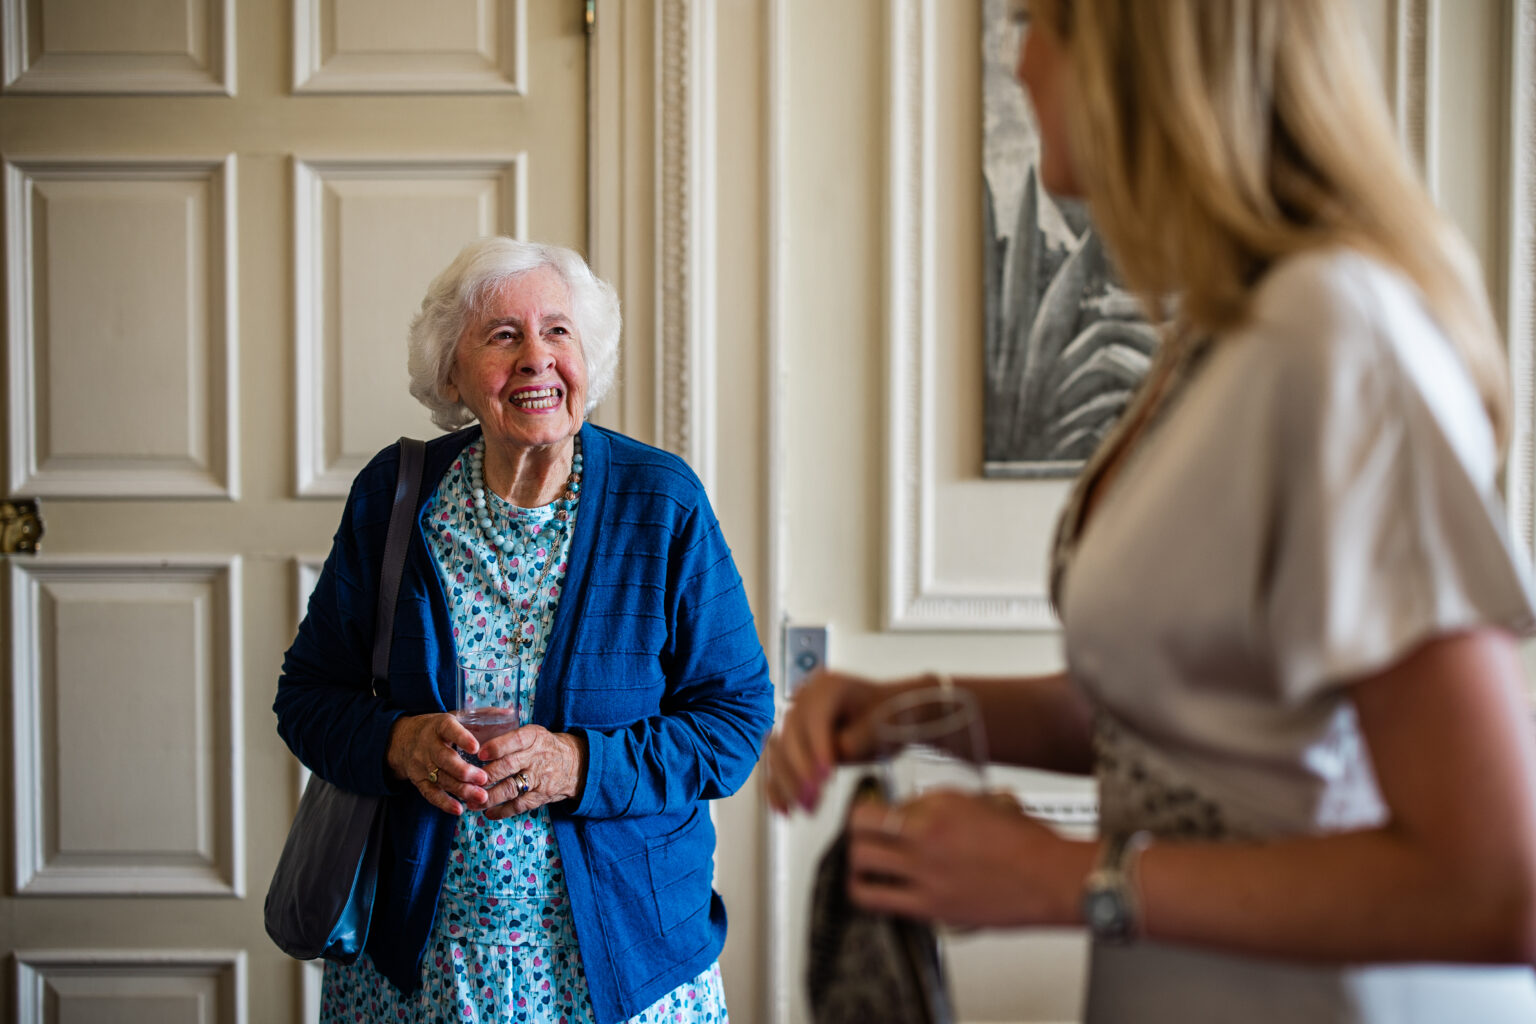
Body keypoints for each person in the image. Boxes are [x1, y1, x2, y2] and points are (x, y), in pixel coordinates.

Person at [765, 1, 1536, 1021]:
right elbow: (1179, 714)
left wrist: (1072, 877)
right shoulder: (1219, 338)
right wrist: (910, 705)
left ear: (1143, 51)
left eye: (1041, 21)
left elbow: (1498, 885)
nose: (1020, 56)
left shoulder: (1336, 333)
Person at [275, 237, 773, 1024]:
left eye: (558, 332)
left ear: (589, 359)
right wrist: (398, 745)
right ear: (452, 372)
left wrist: (578, 763)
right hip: (426, 973)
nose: (536, 358)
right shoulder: (394, 497)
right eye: (503, 336)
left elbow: (736, 723)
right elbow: (306, 697)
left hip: (626, 974)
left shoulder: (662, 503)